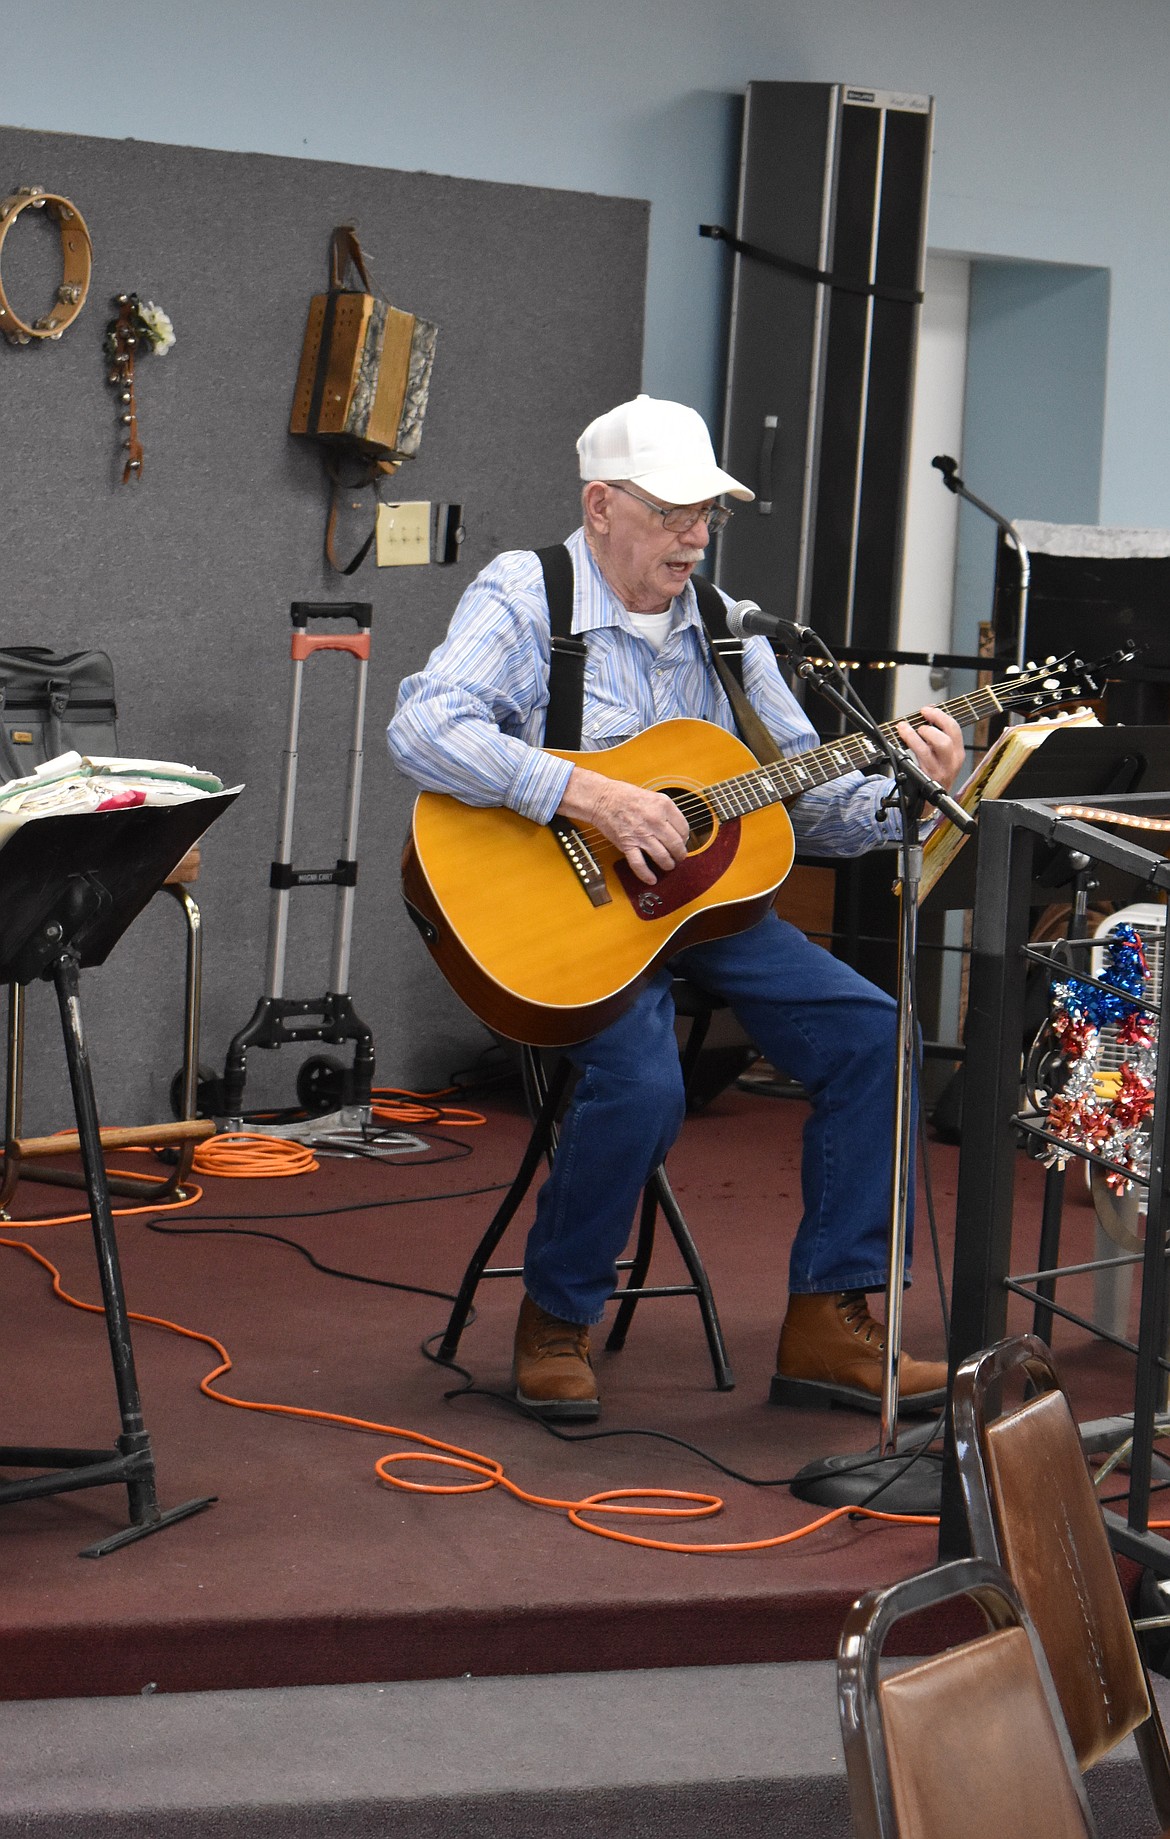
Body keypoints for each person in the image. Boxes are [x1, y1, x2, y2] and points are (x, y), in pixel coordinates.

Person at [388, 394, 965, 1422]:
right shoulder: (530, 592)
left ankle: (829, 1322)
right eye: (672, 512)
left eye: (708, 514)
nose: (695, 536)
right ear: (601, 505)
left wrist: (908, 791)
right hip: (563, 913)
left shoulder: (733, 631)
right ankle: (556, 1317)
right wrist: (587, 794)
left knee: (878, 1036)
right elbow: (424, 727)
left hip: (709, 910)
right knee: (646, 1080)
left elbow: (807, 805)